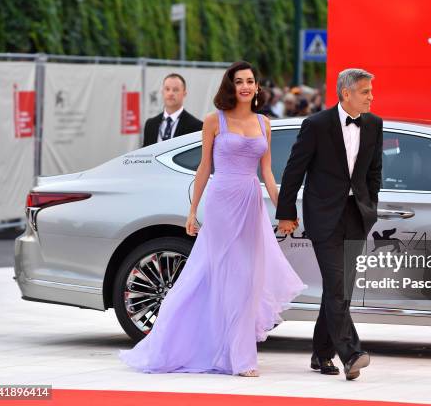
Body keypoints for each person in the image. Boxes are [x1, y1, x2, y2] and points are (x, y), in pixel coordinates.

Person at [120, 61, 305, 377]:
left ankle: (235, 350)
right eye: (239, 81)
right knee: (221, 275)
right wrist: (193, 211)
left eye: (250, 81)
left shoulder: (264, 123)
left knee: (246, 278)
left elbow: (268, 173)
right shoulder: (213, 120)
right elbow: (204, 167)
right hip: (221, 202)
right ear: (230, 86)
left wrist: (285, 210)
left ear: (257, 88)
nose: (245, 86)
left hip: (250, 202)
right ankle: (238, 358)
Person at [276, 68, 383, 381]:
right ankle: (351, 354)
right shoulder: (316, 125)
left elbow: (374, 171)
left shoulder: (374, 124)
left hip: (357, 215)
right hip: (324, 216)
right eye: (365, 92)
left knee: (341, 288)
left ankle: (321, 353)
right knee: (336, 285)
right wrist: (286, 212)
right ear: (346, 93)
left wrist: (370, 205)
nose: (371, 97)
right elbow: (294, 171)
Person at [142, 73, 203, 147]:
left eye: (175, 90)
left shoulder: (196, 126)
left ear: (184, 93)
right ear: (162, 92)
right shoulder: (150, 124)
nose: (170, 93)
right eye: (167, 89)